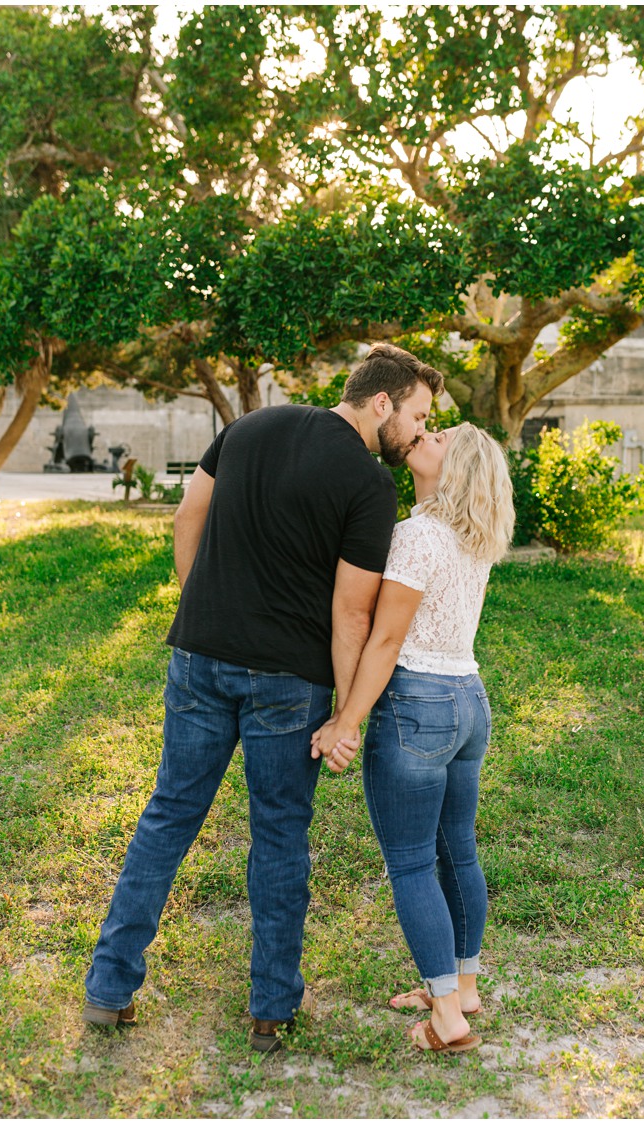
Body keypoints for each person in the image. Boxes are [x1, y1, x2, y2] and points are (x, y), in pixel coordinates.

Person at [82, 343, 443, 1055]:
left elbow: (188, 518)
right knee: (278, 837)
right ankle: (270, 1011)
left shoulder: (250, 426)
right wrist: (346, 712)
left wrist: (202, 606)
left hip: (198, 659)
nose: (419, 432)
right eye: (419, 415)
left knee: (167, 818)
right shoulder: (369, 485)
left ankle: (108, 989)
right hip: (288, 682)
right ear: (382, 404)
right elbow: (350, 613)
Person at [311, 423, 515, 1054]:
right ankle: (465, 985)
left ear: (457, 468)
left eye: (440, 436)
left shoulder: (417, 535)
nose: (425, 433)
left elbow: (387, 639)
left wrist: (346, 720)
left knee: (411, 862)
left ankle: (448, 1019)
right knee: (459, 849)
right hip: (469, 701)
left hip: (419, 704)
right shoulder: (474, 536)